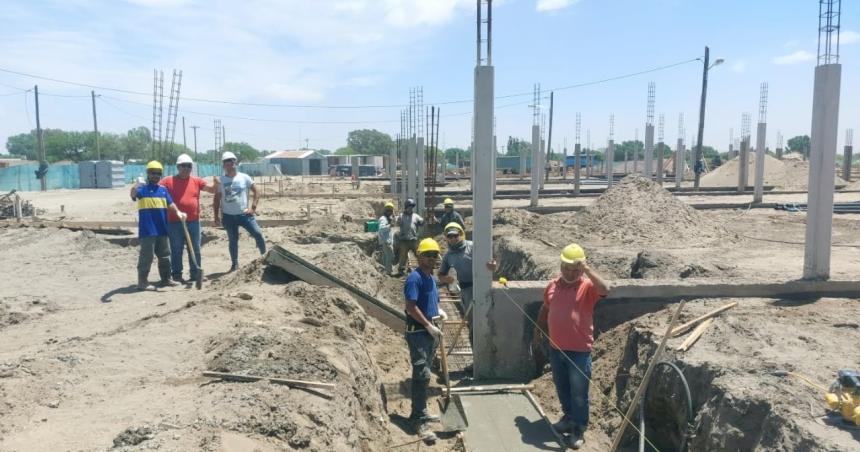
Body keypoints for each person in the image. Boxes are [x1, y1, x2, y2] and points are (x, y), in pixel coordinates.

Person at [534, 243, 610, 449]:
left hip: (579, 351)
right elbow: (545, 309)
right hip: (556, 348)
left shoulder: (586, 287)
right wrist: (537, 333)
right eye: (567, 268)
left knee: (579, 393)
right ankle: (568, 418)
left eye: (575, 269)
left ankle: (578, 428)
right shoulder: (552, 286)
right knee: (562, 387)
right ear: (561, 266)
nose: (571, 273)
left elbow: (605, 288)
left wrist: (586, 269)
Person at [403, 238, 447, 443]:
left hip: (429, 333)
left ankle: (421, 410)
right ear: (419, 256)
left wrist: (438, 312)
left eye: (434, 255)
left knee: (426, 373)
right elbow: (411, 307)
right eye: (428, 254)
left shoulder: (430, 277)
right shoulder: (415, 278)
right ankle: (418, 419)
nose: (432, 258)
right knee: (421, 374)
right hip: (419, 333)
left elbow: (430, 301)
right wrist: (428, 325)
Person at [161, 154, 217, 283]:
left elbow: (211, 190)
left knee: (196, 248)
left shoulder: (196, 180)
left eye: (189, 166)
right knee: (176, 248)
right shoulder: (168, 181)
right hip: (174, 222)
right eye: (183, 166)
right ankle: (176, 275)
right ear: (177, 167)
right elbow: (155, 188)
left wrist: (216, 185)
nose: (186, 168)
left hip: (193, 221)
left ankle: (195, 273)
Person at [130, 161, 187, 290]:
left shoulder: (163, 190)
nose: (156, 176)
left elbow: (170, 203)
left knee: (165, 255)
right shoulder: (141, 189)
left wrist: (178, 212)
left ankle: (166, 279)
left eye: (158, 174)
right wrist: (136, 184)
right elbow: (133, 195)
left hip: (162, 229)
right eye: (153, 173)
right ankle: (142, 282)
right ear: (148, 174)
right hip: (148, 230)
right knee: (146, 256)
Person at [213, 151, 266, 272]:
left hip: (244, 214)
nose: (229, 164)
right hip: (228, 217)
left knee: (257, 234)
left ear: (235, 163)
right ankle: (234, 264)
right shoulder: (220, 180)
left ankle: (265, 257)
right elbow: (216, 199)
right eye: (227, 162)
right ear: (223, 165)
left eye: (232, 161)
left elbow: (257, 191)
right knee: (233, 240)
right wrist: (216, 217)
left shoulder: (244, 177)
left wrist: (253, 207)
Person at [437, 222, 496, 322]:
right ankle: (473, 336)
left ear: (460, 234)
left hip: (481, 285)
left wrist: (493, 264)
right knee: (472, 319)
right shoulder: (448, 255)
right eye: (449, 236)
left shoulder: (473, 246)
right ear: (446, 238)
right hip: (465, 290)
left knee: (487, 316)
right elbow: (440, 275)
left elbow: (490, 260)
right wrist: (445, 279)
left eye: (455, 235)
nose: (453, 239)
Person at [395, 198, 424, 276]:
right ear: (406, 207)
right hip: (404, 240)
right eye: (409, 207)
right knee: (402, 255)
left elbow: (421, 222)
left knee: (419, 254)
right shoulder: (401, 216)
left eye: (411, 207)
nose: (410, 209)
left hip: (414, 239)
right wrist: (398, 220)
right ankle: (401, 270)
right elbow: (397, 223)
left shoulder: (415, 216)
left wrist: (423, 221)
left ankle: (423, 268)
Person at [378, 201, 396, 275]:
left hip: (387, 241)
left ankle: (386, 271)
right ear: (386, 211)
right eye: (388, 211)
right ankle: (389, 272)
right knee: (390, 257)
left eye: (391, 211)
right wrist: (389, 226)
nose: (390, 212)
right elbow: (381, 228)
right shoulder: (383, 219)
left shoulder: (387, 218)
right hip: (386, 241)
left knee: (387, 257)